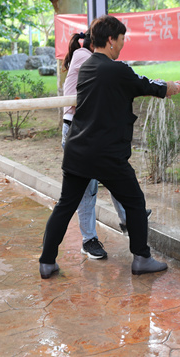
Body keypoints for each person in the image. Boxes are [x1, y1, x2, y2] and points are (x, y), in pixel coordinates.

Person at [39, 15, 180, 279]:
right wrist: (170, 87)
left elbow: (131, 87)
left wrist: (160, 87)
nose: (123, 44)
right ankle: (142, 258)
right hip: (107, 155)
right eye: (121, 39)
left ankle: (47, 262)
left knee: (65, 205)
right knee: (135, 202)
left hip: (78, 151)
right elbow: (145, 85)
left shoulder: (87, 66)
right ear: (111, 40)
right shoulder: (117, 70)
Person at [62, 30, 139, 260]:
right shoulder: (84, 57)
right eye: (114, 42)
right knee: (88, 189)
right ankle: (89, 240)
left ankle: (128, 219)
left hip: (93, 130)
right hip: (77, 131)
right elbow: (112, 74)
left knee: (115, 174)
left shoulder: (89, 58)